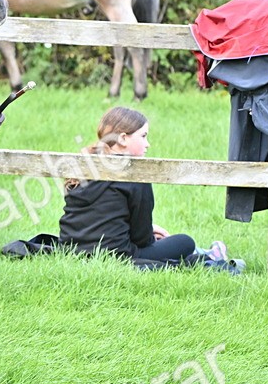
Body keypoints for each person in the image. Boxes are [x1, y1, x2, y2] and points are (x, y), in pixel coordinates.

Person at [59, 107, 234, 270]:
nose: (147, 144)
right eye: (143, 136)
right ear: (122, 138)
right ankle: (208, 255)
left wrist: (149, 230)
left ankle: (207, 253)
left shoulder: (85, 165)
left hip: (73, 249)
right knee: (185, 242)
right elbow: (141, 239)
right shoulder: (135, 174)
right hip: (118, 255)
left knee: (167, 243)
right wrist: (150, 234)